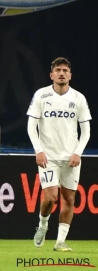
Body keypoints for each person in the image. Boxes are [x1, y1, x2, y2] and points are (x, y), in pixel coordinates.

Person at [27, 57, 91, 252]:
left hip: (71, 157)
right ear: (51, 75)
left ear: (70, 75)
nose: (62, 73)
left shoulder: (78, 98)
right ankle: (43, 225)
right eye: (58, 70)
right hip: (49, 157)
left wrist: (78, 153)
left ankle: (60, 241)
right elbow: (32, 125)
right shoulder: (41, 95)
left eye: (65, 70)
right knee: (50, 197)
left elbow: (86, 130)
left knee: (69, 199)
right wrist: (38, 150)